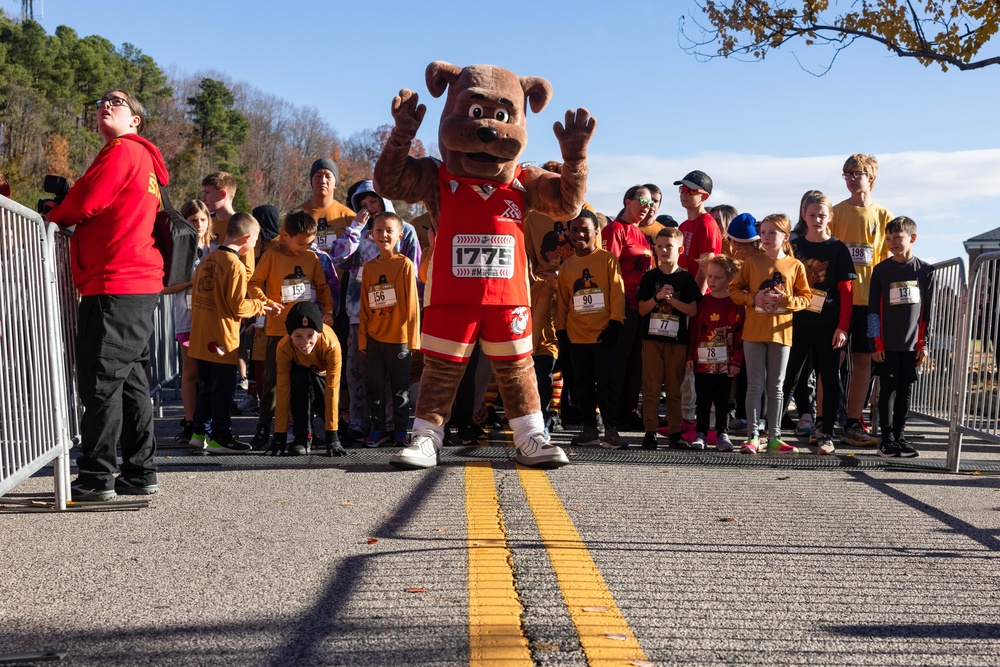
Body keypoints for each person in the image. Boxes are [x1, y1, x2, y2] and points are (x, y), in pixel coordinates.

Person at [45, 90, 169, 500]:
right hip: (134, 284)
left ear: (136, 120)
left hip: (116, 282)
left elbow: (87, 200)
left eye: (116, 102)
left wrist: (53, 216)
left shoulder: (121, 151)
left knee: (100, 382)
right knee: (131, 381)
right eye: (99, 102)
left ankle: (97, 476)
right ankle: (140, 471)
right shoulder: (144, 160)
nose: (104, 106)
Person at [330, 180, 420, 444]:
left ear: (384, 200)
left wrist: (413, 325)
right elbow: (337, 258)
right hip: (362, 314)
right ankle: (362, 423)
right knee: (360, 374)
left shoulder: (405, 231)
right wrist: (356, 227)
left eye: (373, 202)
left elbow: (414, 279)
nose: (369, 208)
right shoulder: (359, 233)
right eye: (363, 204)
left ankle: (394, 425)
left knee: (396, 378)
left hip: (397, 318)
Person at [189, 213, 281, 453]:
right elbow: (238, 306)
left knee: (207, 387)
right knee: (223, 389)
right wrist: (263, 306)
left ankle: (200, 432)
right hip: (222, 339)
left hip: (201, 335)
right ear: (247, 238)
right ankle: (221, 436)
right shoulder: (235, 265)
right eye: (257, 239)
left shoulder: (207, 260)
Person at [247, 211, 336, 449]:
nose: (306, 247)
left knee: (305, 383)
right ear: (285, 235)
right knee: (274, 383)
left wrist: (328, 310)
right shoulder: (271, 255)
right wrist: (266, 302)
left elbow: (323, 286)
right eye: (301, 243)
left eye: (310, 243)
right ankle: (265, 428)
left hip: (306, 333)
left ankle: (304, 431)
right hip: (278, 330)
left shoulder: (312, 258)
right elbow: (254, 283)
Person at [728, 214, 811, 454]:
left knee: (776, 386)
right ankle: (753, 436)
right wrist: (753, 298)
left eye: (771, 233)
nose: (765, 237)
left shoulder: (795, 266)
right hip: (753, 332)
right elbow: (734, 289)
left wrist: (785, 300)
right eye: (763, 233)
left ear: (785, 237)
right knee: (755, 385)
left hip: (781, 333)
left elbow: (805, 298)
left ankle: (774, 437)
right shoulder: (753, 262)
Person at [782, 192, 856, 455]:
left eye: (822, 215)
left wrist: (843, 326)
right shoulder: (794, 246)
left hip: (829, 322)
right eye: (812, 215)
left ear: (830, 217)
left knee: (830, 375)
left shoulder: (837, 249)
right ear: (804, 215)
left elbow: (846, 290)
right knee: (789, 374)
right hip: (797, 321)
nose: (817, 220)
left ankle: (826, 431)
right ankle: (773, 431)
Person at [830, 153, 892, 447]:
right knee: (833, 360)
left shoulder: (883, 215)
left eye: (857, 173)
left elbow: (884, 259)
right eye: (846, 174)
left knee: (863, 361)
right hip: (840, 301)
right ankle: (825, 419)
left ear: (871, 178)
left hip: (869, 302)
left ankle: (854, 420)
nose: (851, 179)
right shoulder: (836, 212)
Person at [555, 210, 625, 448]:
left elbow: (617, 292)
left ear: (596, 232)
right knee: (582, 385)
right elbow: (563, 302)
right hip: (577, 335)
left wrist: (615, 323)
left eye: (585, 229)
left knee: (607, 383)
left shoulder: (607, 259)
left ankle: (612, 429)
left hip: (604, 333)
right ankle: (589, 429)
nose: (579, 234)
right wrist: (561, 331)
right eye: (574, 230)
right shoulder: (566, 267)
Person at [868, 216, 933, 458]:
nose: (893, 242)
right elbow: (873, 310)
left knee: (905, 389)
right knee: (888, 389)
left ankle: (900, 436)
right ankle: (886, 439)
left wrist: (923, 344)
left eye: (898, 237)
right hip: (886, 343)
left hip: (912, 344)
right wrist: (875, 342)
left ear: (912, 238)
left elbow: (928, 311)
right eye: (889, 238)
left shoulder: (925, 270)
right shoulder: (881, 270)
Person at [358, 212, 420, 447]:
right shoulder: (369, 268)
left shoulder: (404, 264)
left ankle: (401, 430)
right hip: (374, 338)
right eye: (378, 230)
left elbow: (413, 305)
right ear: (371, 234)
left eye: (389, 230)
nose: (384, 235)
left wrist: (413, 340)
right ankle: (378, 429)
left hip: (399, 339)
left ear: (400, 235)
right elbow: (365, 305)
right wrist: (363, 340)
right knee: (374, 386)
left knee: (399, 388)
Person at [637, 227, 702, 449]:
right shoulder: (650, 277)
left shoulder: (686, 278)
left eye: (669, 246)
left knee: (675, 389)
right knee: (651, 388)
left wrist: (672, 300)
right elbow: (642, 309)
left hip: (677, 341)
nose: (664, 250)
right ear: (654, 249)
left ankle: (676, 432)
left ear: (680, 249)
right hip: (652, 339)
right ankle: (650, 431)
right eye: (660, 246)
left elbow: (693, 310)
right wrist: (657, 298)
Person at [601, 184, 654, 432]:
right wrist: (614, 311)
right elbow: (607, 271)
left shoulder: (641, 235)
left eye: (652, 203)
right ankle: (612, 415)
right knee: (617, 364)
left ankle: (629, 412)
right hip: (622, 305)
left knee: (636, 364)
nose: (647, 207)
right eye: (642, 201)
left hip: (642, 306)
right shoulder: (615, 230)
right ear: (628, 201)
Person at [163, 199, 215, 445]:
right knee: (191, 371)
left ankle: (209, 424)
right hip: (187, 316)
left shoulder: (215, 250)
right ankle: (190, 422)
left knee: (211, 374)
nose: (200, 224)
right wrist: (193, 282)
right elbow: (166, 287)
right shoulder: (179, 249)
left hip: (213, 319)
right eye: (194, 220)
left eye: (203, 219)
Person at [272, 301, 347, 457]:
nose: (305, 343)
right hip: (300, 370)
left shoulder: (331, 344)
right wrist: (280, 435)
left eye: (310, 335)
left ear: (318, 333)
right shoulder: (283, 347)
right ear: (290, 335)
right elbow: (282, 390)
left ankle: (337, 430)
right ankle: (302, 437)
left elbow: (333, 389)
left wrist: (332, 435)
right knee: (298, 381)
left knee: (324, 399)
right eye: (298, 336)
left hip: (323, 373)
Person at [687, 255, 744, 451]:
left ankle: (722, 433)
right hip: (702, 362)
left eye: (718, 277)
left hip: (726, 363)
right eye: (709, 276)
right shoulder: (702, 302)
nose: (712, 280)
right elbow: (693, 331)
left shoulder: (736, 304)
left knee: (722, 400)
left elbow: (739, 334)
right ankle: (701, 432)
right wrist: (689, 357)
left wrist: (737, 361)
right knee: (702, 399)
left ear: (730, 278)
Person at [675, 170, 721, 293]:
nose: (685, 194)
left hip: (700, 296)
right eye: (682, 189)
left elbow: (706, 267)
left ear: (704, 196)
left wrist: (695, 297)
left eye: (691, 191)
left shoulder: (706, 224)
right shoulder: (683, 225)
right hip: (683, 293)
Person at [297, 158, 356, 254]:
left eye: (328, 176)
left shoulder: (349, 217)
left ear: (335, 183)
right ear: (311, 181)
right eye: (318, 176)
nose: (323, 181)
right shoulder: (297, 215)